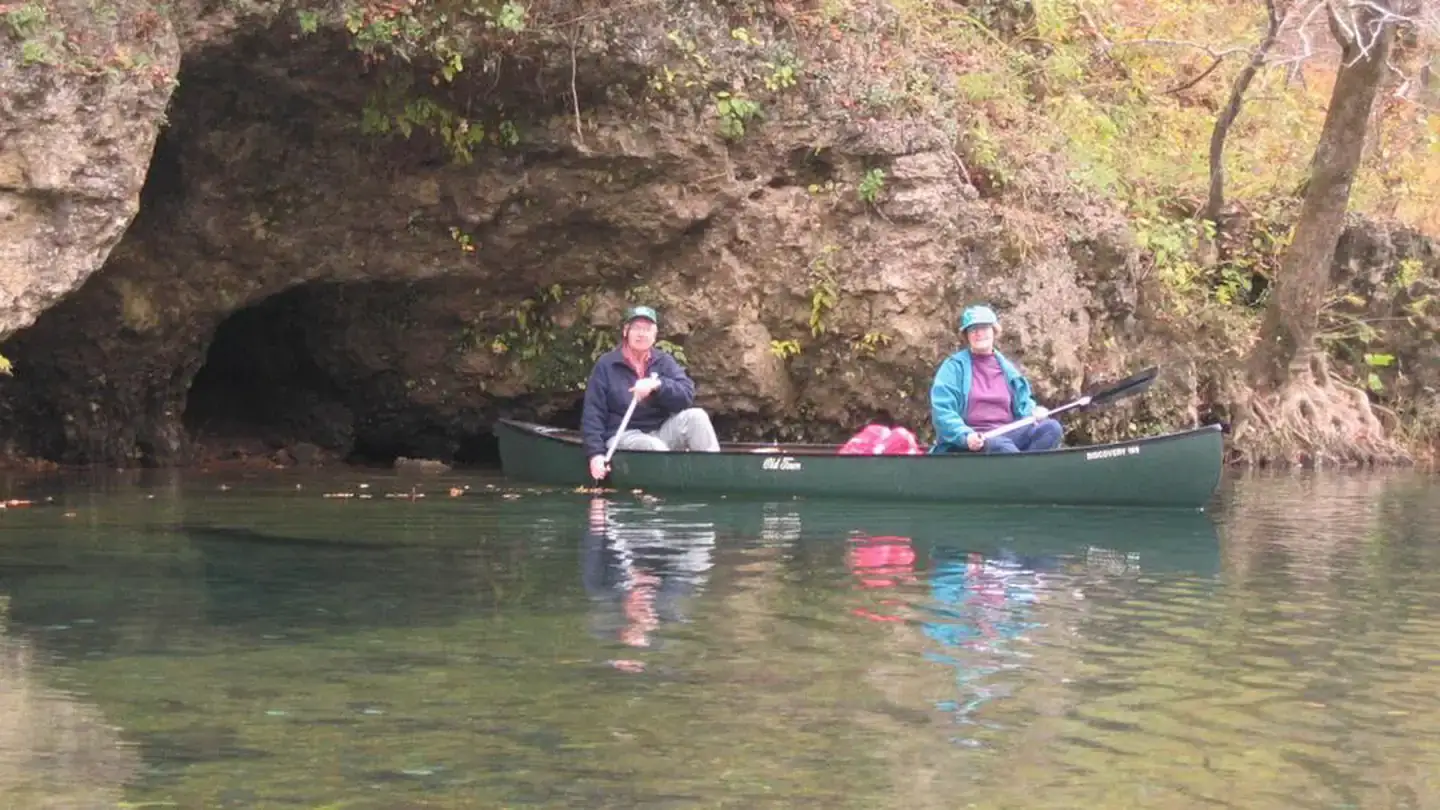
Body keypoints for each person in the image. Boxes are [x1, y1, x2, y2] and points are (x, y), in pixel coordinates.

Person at [581, 305, 720, 480]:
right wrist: (595, 455)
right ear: (626, 331)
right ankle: (674, 484)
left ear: (654, 336)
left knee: (697, 417)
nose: (642, 334)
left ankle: (713, 476)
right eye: (637, 328)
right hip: (623, 434)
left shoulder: (664, 361)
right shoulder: (606, 365)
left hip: (661, 430)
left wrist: (658, 386)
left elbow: (686, 395)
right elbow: (593, 413)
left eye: (647, 329)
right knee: (653, 446)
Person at [929, 304, 1064, 454]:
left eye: (984, 327)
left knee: (1052, 428)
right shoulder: (953, 368)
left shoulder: (1008, 370)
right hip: (974, 441)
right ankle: (1027, 472)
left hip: (1008, 434)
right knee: (1002, 446)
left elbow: (1024, 406)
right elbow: (943, 411)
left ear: (994, 331)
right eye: (973, 329)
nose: (979, 333)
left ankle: (1024, 471)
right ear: (966, 335)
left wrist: (1034, 413)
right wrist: (965, 436)